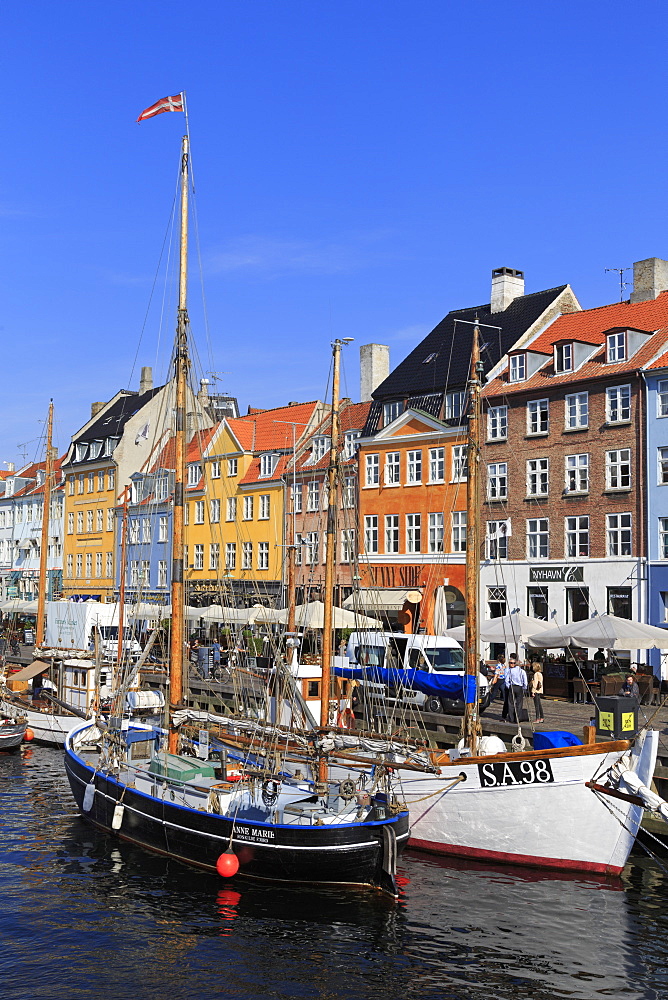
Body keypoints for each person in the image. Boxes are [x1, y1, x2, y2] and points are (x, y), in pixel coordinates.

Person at [503, 657, 529, 723]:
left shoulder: (510, 671)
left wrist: (509, 687)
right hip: (519, 687)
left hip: (512, 687)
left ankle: (511, 718)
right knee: (519, 703)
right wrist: (524, 688)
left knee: (511, 703)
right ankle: (518, 718)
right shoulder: (522, 671)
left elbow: (506, 680)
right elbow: (525, 681)